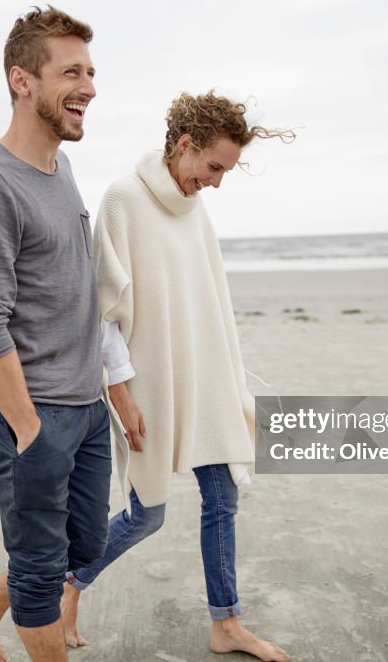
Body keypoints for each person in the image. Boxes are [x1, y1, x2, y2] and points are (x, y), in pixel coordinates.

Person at [61, 91, 293, 661]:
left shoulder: (195, 208)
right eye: (214, 167)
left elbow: (206, 298)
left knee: (223, 494)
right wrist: (121, 393)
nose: (215, 182)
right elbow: (103, 312)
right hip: (150, 381)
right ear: (185, 146)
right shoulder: (122, 200)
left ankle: (226, 623)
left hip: (204, 374)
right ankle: (70, 584)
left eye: (226, 171)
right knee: (148, 514)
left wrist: (227, 376)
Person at [0, 6, 110, 662]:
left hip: (83, 405)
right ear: (22, 81)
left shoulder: (60, 169)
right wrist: (29, 431)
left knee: (85, 547)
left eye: (92, 72)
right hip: (28, 412)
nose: (90, 87)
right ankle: (1, 619)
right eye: (72, 72)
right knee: (41, 577)